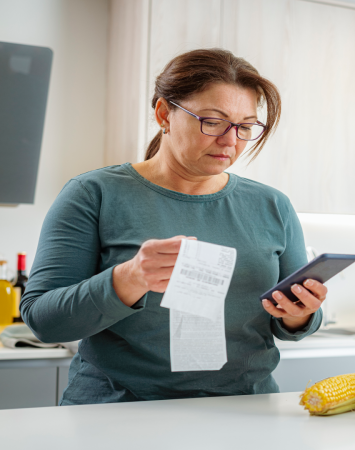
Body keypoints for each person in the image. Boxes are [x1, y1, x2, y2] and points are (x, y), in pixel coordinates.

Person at [21, 48, 326, 405]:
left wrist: (300, 314)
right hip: (119, 411)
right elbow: (44, 321)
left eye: (245, 127)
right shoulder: (94, 194)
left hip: (246, 410)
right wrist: (130, 277)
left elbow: (290, 326)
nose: (230, 141)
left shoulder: (272, 206)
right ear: (165, 114)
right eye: (212, 121)